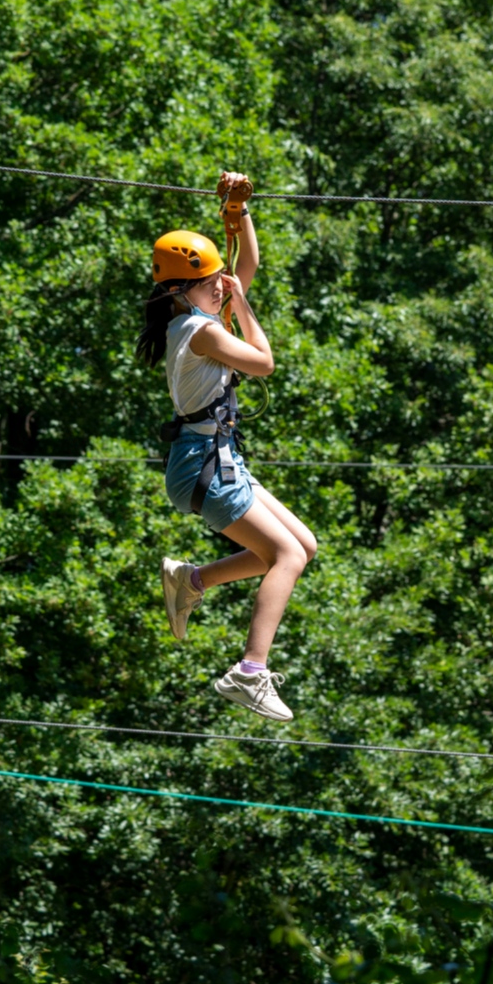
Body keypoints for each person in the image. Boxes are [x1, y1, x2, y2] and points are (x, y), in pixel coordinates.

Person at [134, 172, 317, 722]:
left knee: (303, 546)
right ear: (179, 290)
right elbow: (263, 363)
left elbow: (247, 268)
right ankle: (249, 672)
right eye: (210, 279)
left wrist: (238, 214)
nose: (223, 284)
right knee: (283, 556)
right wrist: (245, 309)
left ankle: (190, 579)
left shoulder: (199, 318)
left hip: (216, 459)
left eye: (218, 276)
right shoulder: (199, 329)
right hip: (203, 467)